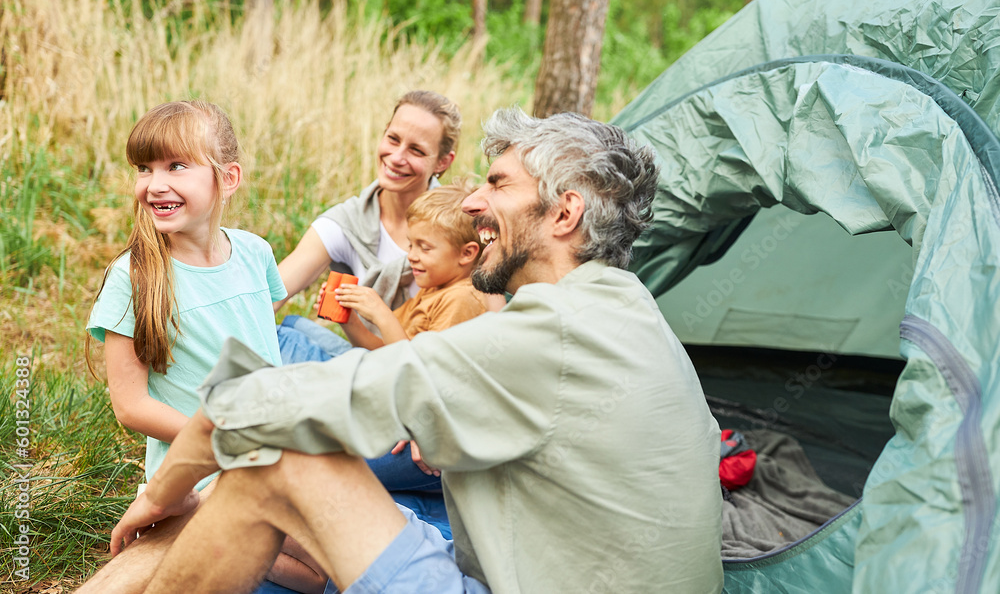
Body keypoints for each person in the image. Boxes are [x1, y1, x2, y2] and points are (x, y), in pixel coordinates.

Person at [82, 108, 724, 594]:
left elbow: (259, 408)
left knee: (279, 459)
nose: (472, 201)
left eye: (498, 184)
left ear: (564, 215)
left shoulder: (546, 333)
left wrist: (159, 494)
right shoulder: (628, 307)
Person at [84, 101, 325, 594]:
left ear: (226, 178)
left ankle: (209, 529)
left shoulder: (254, 252)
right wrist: (222, 440)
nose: (155, 184)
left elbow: (262, 352)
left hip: (267, 451)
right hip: (198, 466)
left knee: (325, 571)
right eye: (144, 168)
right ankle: (194, 516)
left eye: (176, 166)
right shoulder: (132, 277)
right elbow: (130, 406)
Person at [273, 90, 462, 364]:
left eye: (416, 150)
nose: (396, 157)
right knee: (287, 331)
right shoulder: (347, 223)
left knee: (289, 342)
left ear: (443, 162)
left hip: (421, 374)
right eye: (393, 139)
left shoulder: (457, 230)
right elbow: (271, 295)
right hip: (372, 359)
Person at [336, 179, 488, 351]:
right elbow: (382, 351)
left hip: (388, 375)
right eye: (410, 245)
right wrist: (348, 320)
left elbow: (421, 369)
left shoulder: (461, 299)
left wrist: (382, 314)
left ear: (466, 253)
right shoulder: (433, 288)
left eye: (425, 248)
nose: (411, 256)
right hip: (377, 366)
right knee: (298, 325)